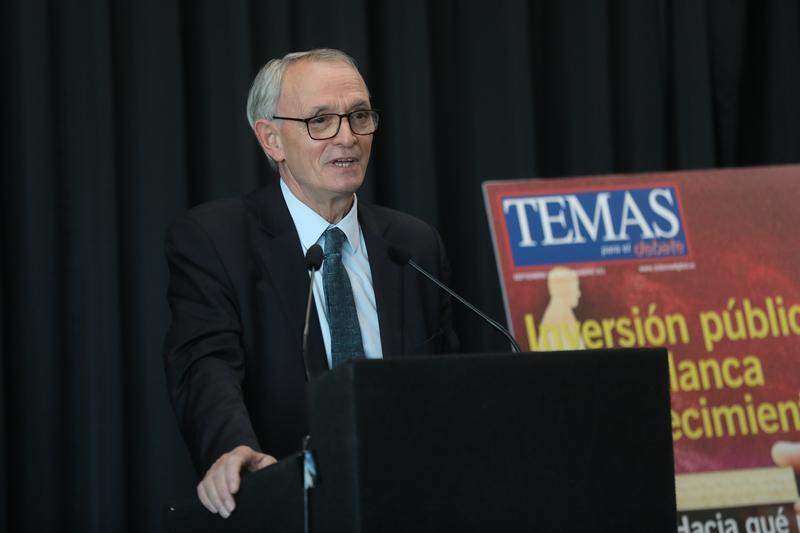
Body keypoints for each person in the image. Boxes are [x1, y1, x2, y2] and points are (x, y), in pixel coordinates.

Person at [163, 48, 458, 518]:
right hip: (289, 507)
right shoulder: (217, 239)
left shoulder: (413, 245)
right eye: (321, 120)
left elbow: (448, 385)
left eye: (359, 116)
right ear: (271, 140)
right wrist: (233, 447)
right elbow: (206, 364)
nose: (348, 137)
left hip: (412, 507)